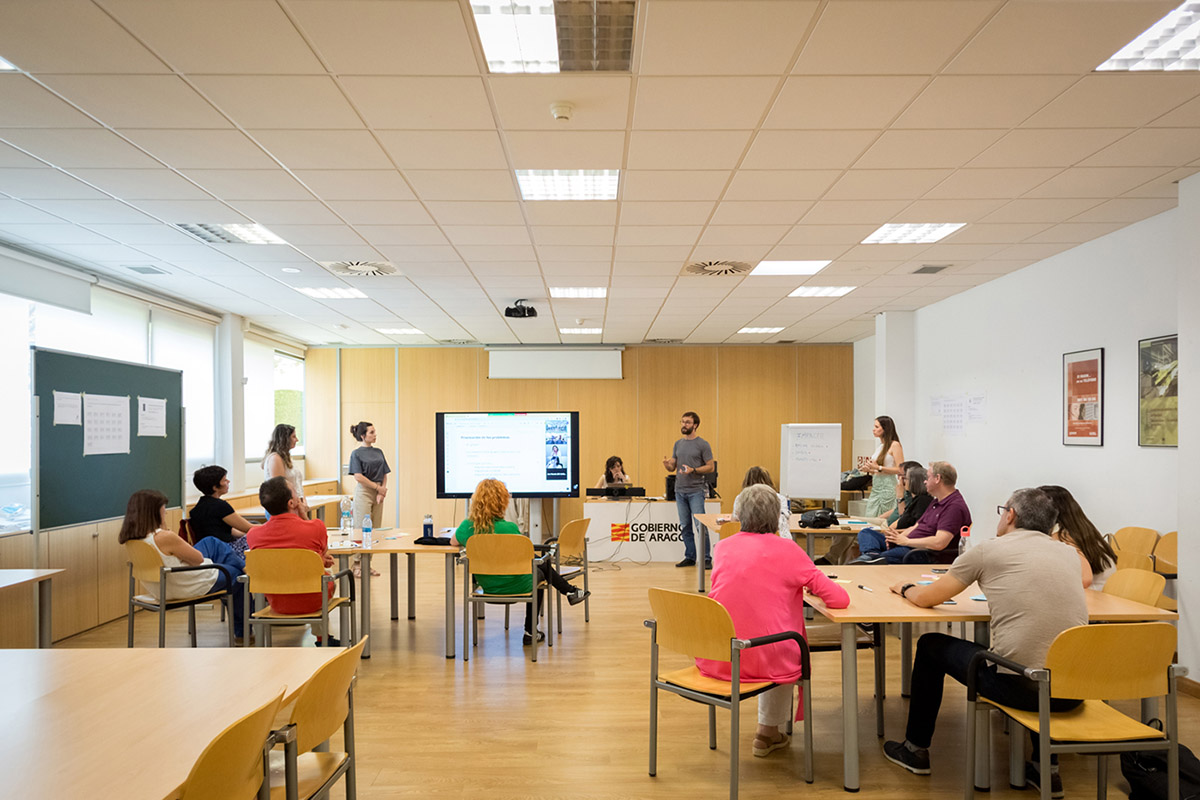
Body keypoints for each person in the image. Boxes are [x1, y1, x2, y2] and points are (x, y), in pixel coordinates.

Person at [882, 488, 1087, 797]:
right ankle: (1047, 767)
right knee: (1047, 657)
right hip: (1075, 691)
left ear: (1011, 515)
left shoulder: (989, 550)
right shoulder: (1069, 554)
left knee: (930, 645)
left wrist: (905, 586)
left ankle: (915, 749)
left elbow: (927, 598)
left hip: (1018, 687)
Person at [698, 484, 849, 757]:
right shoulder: (789, 551)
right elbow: (839, 600)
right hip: (767, 657)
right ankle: (767, 732)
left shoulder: (722, 548)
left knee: (762, 632)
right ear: (776, 515)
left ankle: (767, 733)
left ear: (739, 515)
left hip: (718, 654)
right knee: (782, 642)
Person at [454, 478, 585, 645]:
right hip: (519, 586)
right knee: (539, 567)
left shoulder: (467, 527)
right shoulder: (510, 528)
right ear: (501, 502)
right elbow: (526, 558)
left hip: (487, 586)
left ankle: (569, 591)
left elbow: (453, 542)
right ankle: (532, 630)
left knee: (539, 563)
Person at [118, 488, 248, 643]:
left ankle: (243, 567)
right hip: (186, 585)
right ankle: (242, 632)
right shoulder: (165, 537)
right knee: (239, 576)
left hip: (161, 588)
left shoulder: (131, 539)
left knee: (211, 542)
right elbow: (198, 560)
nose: (165, 513)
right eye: (163, 509)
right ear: (153, 512)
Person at [246, 476, 340, 645]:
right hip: (313, 600)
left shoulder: (253, 535)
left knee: (315, 564)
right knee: (326, 571)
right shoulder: (315, 526)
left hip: (277, 602)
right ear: (291, 503)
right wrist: (304, 515)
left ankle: (323, 637)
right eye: (295, 492)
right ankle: (322, 638)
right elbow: (322, 549)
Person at [856, 461, 970, 564]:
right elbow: (917, 526)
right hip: (908, 544)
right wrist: (896, 538)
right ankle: (871, 555)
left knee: (880, 560)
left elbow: (939, 543)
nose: (925, 481)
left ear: (937, 479)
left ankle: (871, 558)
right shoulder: (936, 501)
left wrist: (906, 541)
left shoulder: (953, 507)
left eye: (928, 477)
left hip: (921, 552)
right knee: (866, 533)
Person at [662, 411, 715, 569]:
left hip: (696, 491)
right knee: (685, 526)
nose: (684, 425)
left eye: (687, 422)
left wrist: (694, 470)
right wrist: (668, 465)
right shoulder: (678, 444)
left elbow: (710, 466)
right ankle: (690, 556)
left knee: (700, 526)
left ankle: (706, 558)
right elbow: (673, 466)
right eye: (682, 422)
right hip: (680, 491)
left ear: (695, 425)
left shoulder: (703, 444)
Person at [1038, 485, 1117, 590]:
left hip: (1095, 593)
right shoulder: (1079, 527)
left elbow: (1085, 580)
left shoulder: (1062, 535)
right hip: (1099, 589)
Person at [852, 464, 934, 562]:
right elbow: (902, 517)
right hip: (897, 539)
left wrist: (895, 535)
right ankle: (871, 554)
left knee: (882, 557)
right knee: (866, 532)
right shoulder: (913, 499)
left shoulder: (923, 501)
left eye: (904, 478)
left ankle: (873, 557)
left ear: (913, 482)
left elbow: (917, 529)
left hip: (909, 544)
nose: (901, 481)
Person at [348, 420, 389, 578]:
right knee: (361, 528)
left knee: (374, 529)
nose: (374, 435)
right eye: (371, 432)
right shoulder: (356, 454)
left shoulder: (378, 452)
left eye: (374, 432)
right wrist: (377, 488)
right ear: (363, 436)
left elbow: (385, 473)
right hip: (364, 492)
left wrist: (382, 491)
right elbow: (358, 476)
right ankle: (357, 564)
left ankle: (367, 564)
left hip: (378, 491)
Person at [188, 465, 254, 556]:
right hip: (225, 550)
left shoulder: (197, 508)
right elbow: (249, 528)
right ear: (215, 487)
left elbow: (228, 531)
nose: (228, 481)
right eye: (224, 480)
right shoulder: (220, 506)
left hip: (210, 552)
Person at [862, 416, 905, 518]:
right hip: (876, 486)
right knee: (871, 516)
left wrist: (879, 468)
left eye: (877, 427)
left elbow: (900, 469)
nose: (874, 429)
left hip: (888, 487)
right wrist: (870, 469)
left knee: (884, 518)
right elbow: (878, 469)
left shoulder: (895, 445)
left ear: (885, 429)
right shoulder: (880, 446)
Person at [731, 466, 790, 538]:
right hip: (778, 539)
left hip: (748, 540)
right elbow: (785, 522)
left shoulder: (740, 498)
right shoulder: (780, 498)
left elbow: (733, 523)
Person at [262, 423, 304, 500]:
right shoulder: (275, 458)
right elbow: (281, 488)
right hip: (283, 507)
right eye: (293, 436)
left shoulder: (287, 458)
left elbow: (297, 485)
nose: (297, 440)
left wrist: (302, 500)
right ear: (285, 439)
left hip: (294, 504)